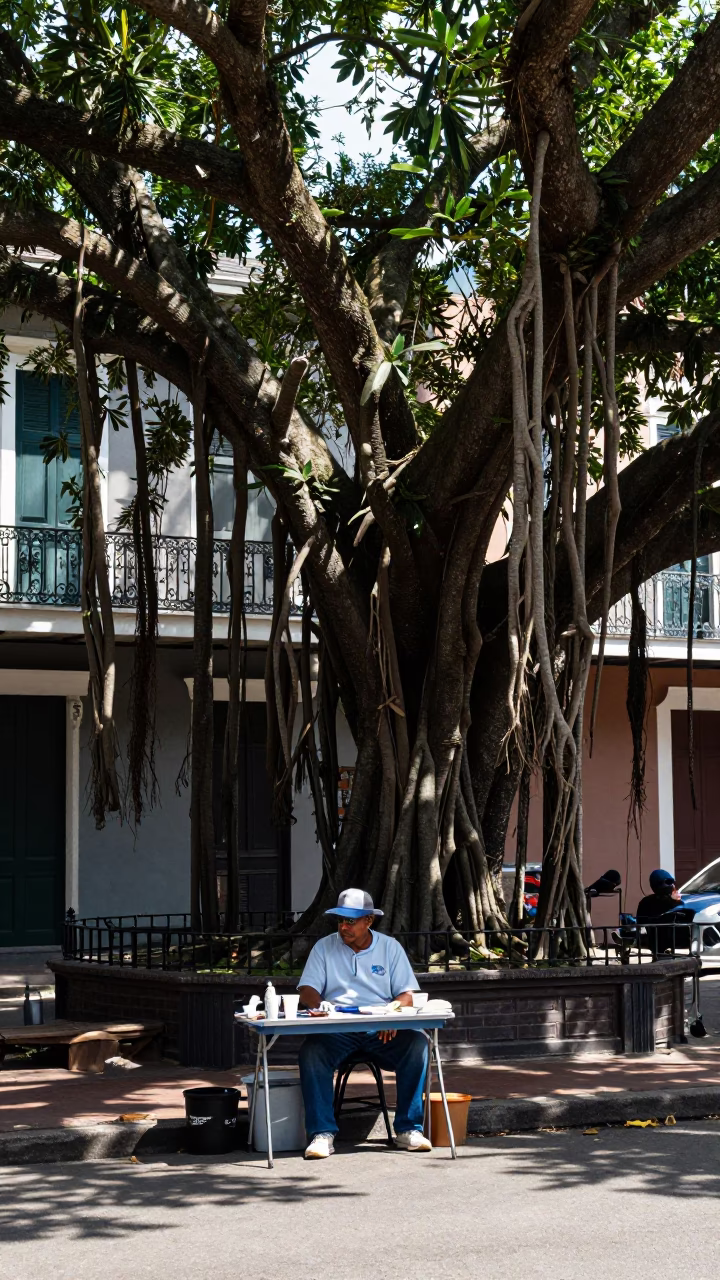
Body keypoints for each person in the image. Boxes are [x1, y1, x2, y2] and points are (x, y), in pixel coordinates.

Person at [297, 887, 432, 1160]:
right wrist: (321, 1007)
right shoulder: (324, 946)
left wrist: (392, 1014)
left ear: (368, 921)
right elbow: (307, 989)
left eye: (351, 921)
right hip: (336, 1028)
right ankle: (322, 1133)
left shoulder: (389, 947)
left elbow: (406, 994)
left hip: (381, 1029)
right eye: (340, 920)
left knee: (417, 1044)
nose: (343, 927)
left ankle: (408, 1129)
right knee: (311, 1052)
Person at [636, 869, 695, 954]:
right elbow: (642, 921)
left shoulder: (678, 900)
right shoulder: (647, 902)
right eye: (668, 882)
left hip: (678, 945)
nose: (672, 886)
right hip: (661, 944)